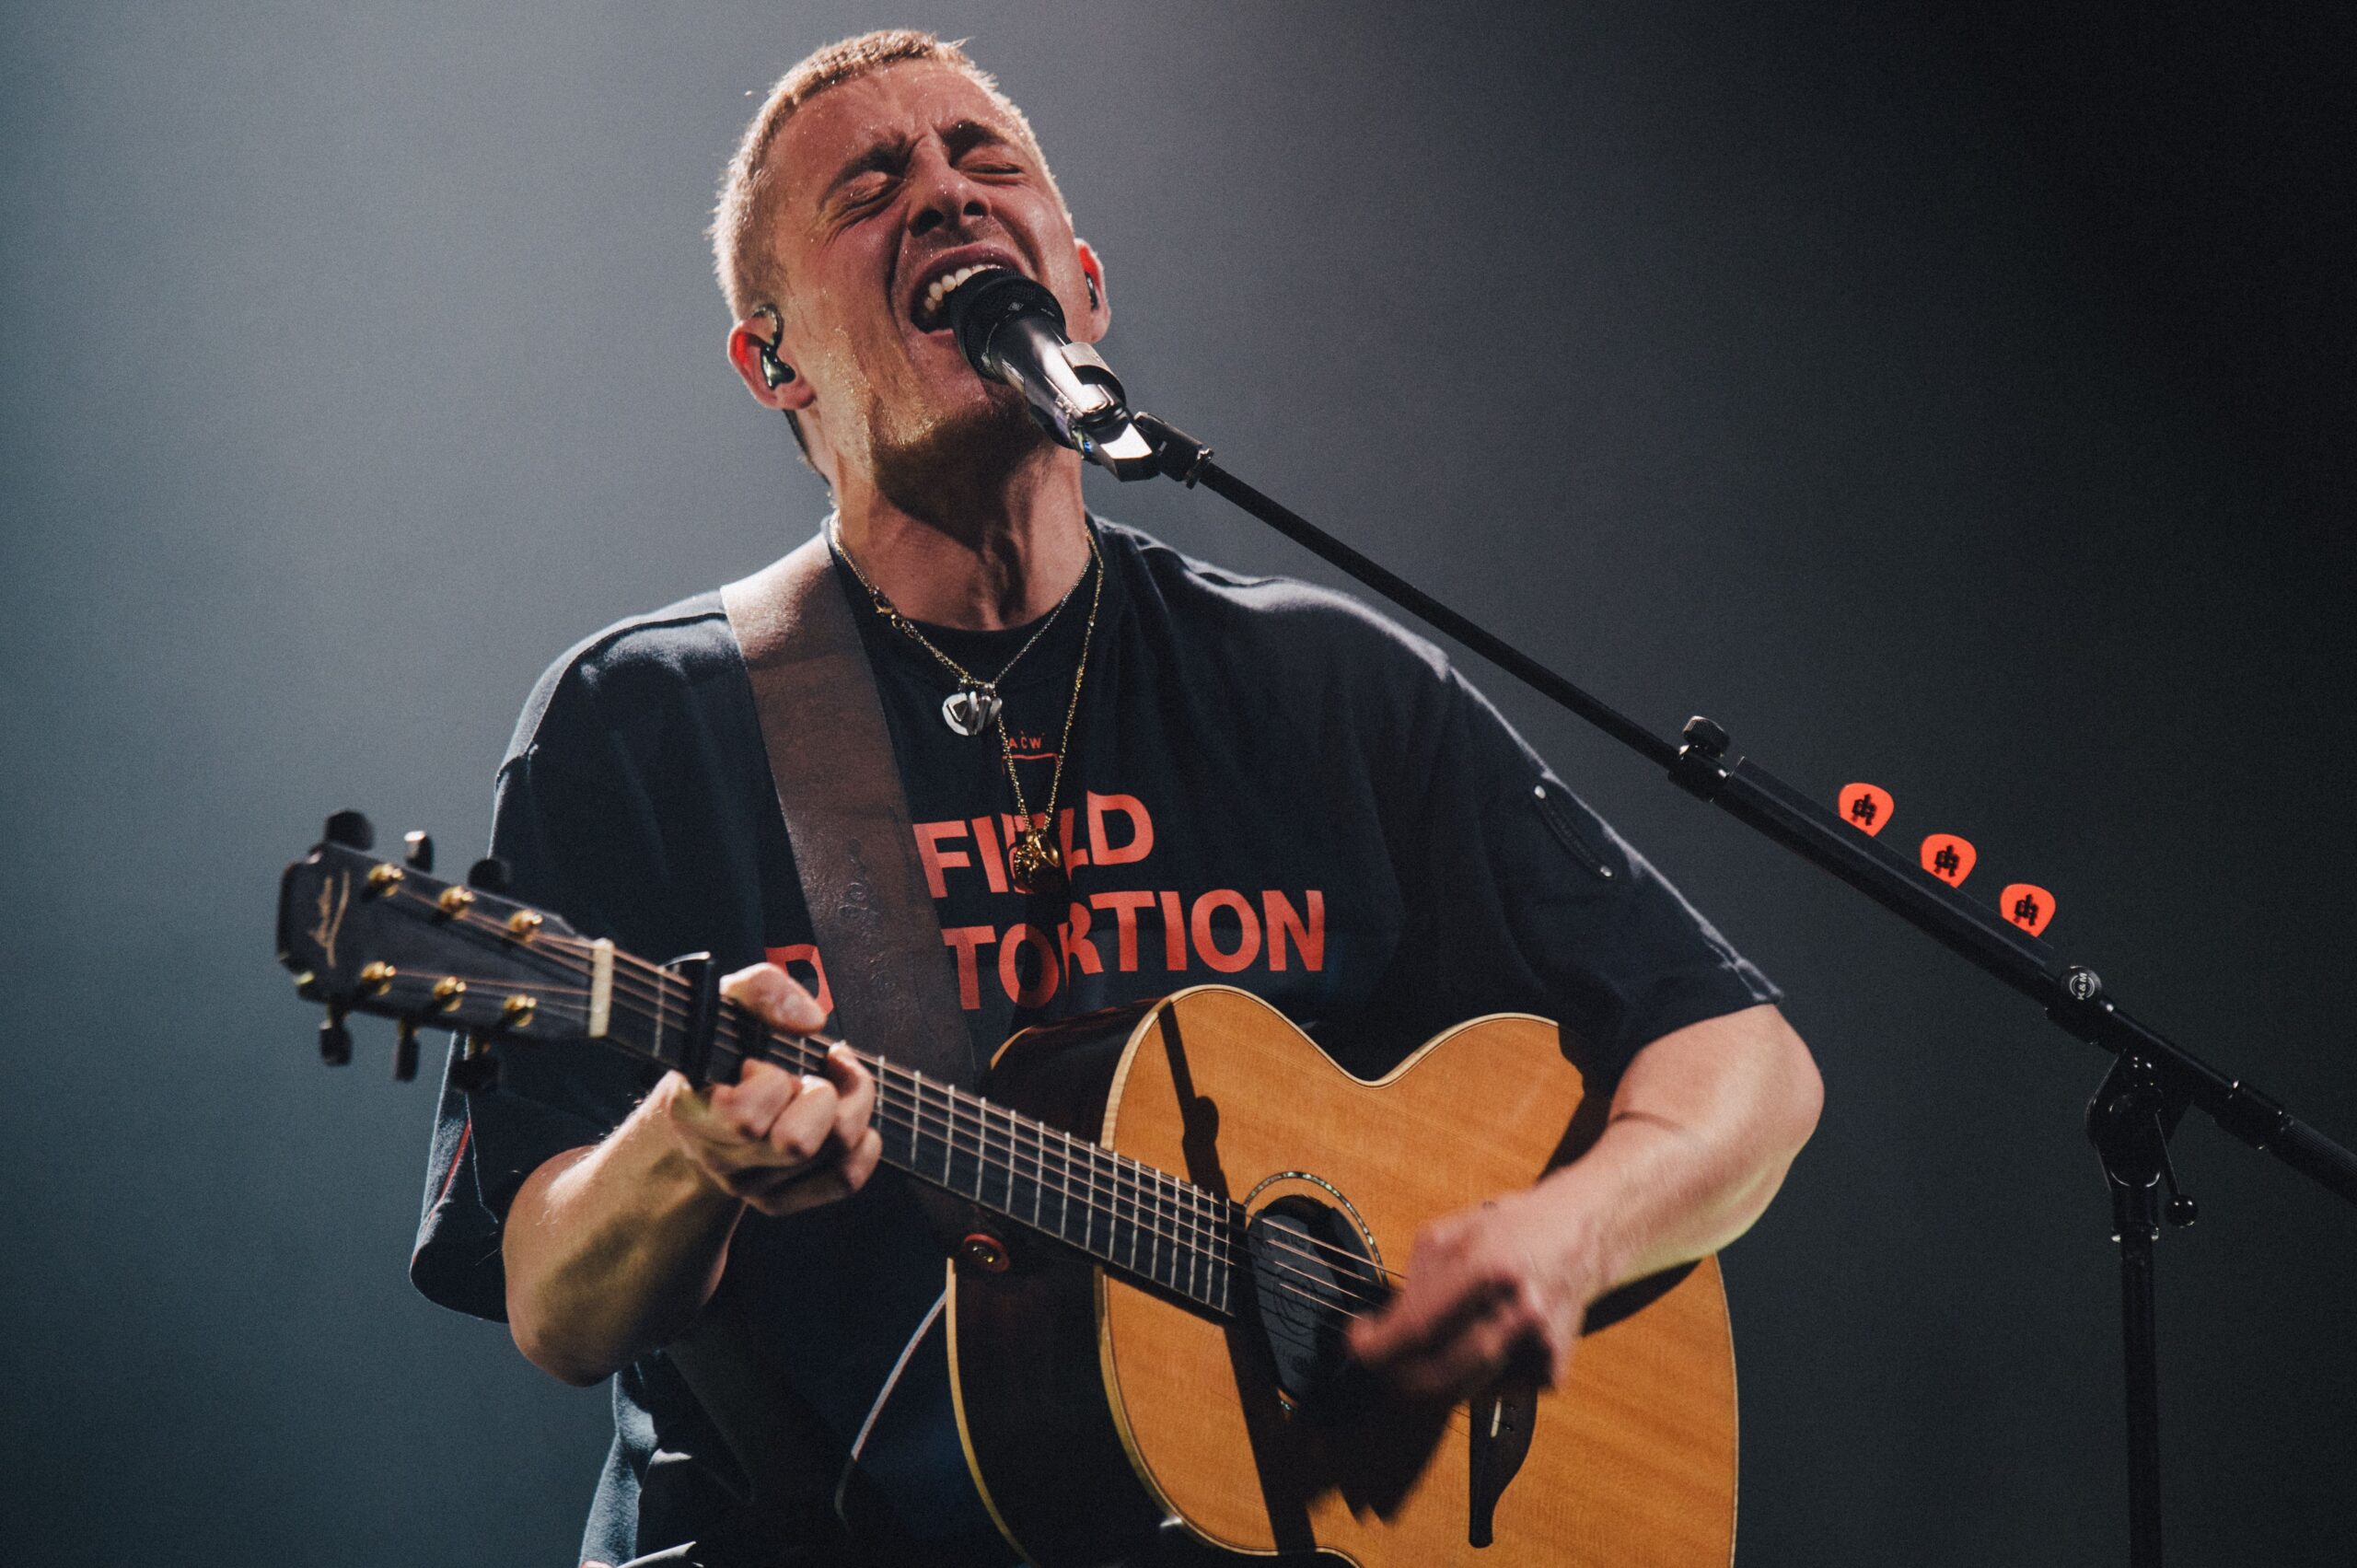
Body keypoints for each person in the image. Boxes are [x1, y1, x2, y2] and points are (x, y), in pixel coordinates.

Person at [410, 29, 1823, 1568]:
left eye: (984, 160)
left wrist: (1565, 1238)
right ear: (774, 360)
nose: (944, 194)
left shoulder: (1321, 684)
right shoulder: (645, 720)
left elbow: (1743, 1058)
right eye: (871, 186)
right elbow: (552, 1301)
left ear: (1081, 285)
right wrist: (688, 1149)